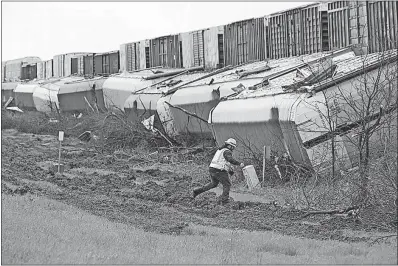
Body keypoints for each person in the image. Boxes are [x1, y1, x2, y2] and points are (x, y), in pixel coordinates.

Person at [193, 138, 244, 204]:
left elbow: (224, 163)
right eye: (233, 147)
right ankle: (224, 200)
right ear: (230, 146)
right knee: (227, 184)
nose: (233, 149)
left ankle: (197, 191)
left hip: (212, 169)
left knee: (213, 184)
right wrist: (239, 163)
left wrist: (230, 171)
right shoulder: (227, 151)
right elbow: (230, 159)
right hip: (219, 171)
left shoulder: (221, 150)